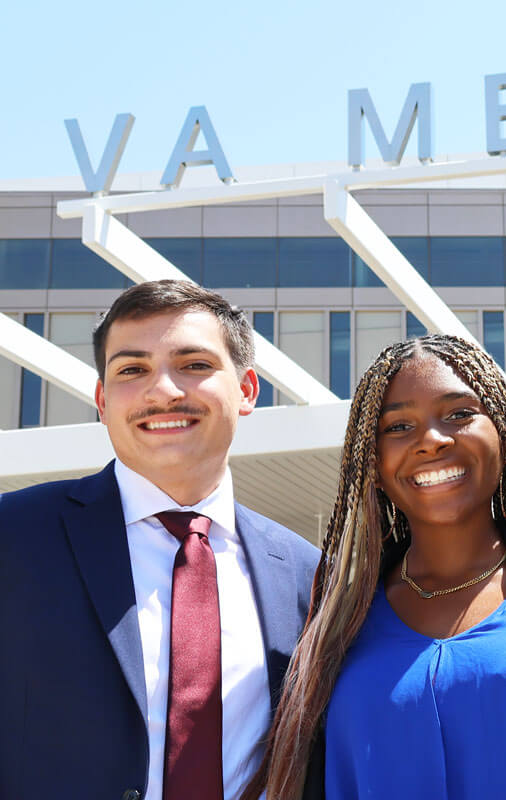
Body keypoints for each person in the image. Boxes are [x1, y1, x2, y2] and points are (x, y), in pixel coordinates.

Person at [245, 334, 506, 800]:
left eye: (459, 414)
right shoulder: (329, 619)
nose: (431, 440)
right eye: (398, 427)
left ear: (505, 433)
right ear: (372, 462)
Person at [0, 280, 319, 800]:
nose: (163, 390)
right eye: (132, 370)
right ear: (102, 400)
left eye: (194, 364)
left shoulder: (308, 574)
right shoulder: (12, 538)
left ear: (246, 390)